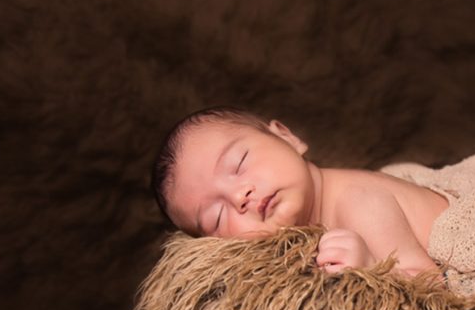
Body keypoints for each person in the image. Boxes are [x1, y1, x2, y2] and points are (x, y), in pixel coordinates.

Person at [151, 106, 448, 278]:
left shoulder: (358, 202)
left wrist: (371, 267)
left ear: (287, 137)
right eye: (216, 216)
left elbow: (430, 284)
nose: (240, 196)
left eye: (239, 163)